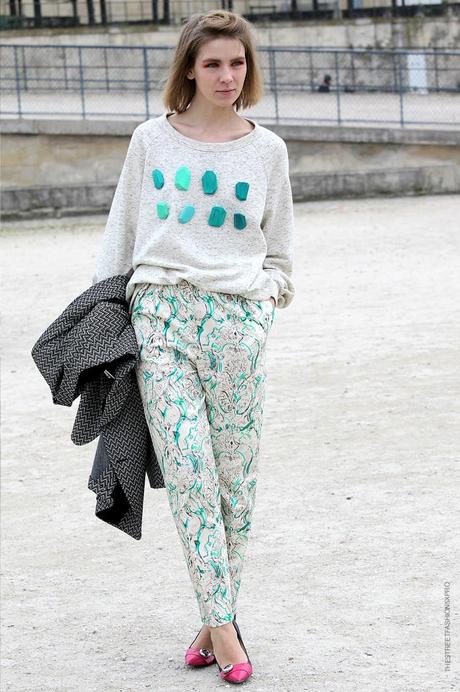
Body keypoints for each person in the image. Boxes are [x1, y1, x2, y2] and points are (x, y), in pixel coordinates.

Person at [92, 8, 295, 684]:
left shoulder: (268, 151)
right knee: (190, 479)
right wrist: (107, 318)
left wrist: (262, 308)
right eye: (212, 63)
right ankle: (230, 634)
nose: (227, 76)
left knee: (236, 487)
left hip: (238, 323)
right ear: (188, 67)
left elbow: (282, 256)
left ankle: (213, 620)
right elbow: (121, 234)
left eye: (236, 63)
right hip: (162, 319)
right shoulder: (151, 140)